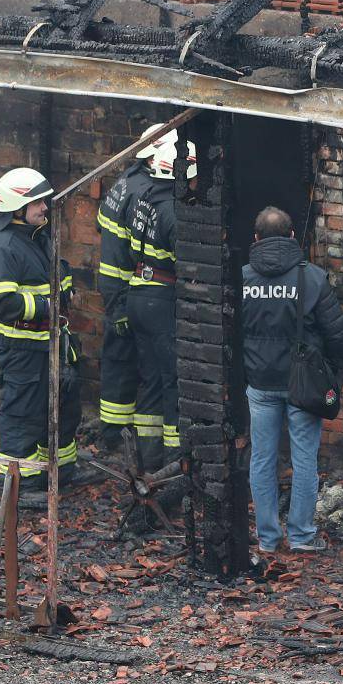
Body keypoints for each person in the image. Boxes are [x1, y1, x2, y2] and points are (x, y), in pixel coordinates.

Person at [240, 205, 343, 553]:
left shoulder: (241, 279)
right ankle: (302, 536)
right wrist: (333, 374)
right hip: (302, 384)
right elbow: (337, 336)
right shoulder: (312, 278)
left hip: (259, 382)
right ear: (291, 236)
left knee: (262, 459)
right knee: (304, 459)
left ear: (255, 239)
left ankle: (268, 539)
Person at [0, 167, 81, 497]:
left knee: (63, 405)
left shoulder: (39, 237)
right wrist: (51, 308)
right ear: (17, 208)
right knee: (23, 413)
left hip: (50, 343)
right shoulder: (3, 248)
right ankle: (22, 483)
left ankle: (60, 472)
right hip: (22, 347)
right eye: (37, 203)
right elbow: (2, 302)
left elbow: (55, 278)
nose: (45, 208)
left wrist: (66, 294)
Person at [122, 126, 195, 472]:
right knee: (172, 381)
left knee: (149, 380)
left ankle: (147, 461)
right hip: (161, 300)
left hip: (138, 295)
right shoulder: (174, 212)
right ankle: (172, 463)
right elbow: (187, 263)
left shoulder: (145, 199)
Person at [94, 156, 147, 454]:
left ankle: (113, 430)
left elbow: (100, 225)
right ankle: (116, 435)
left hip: (112, 283)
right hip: (126, 288)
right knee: (124, 359)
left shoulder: (123, 182)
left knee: (117, 359)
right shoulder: (142, 190)